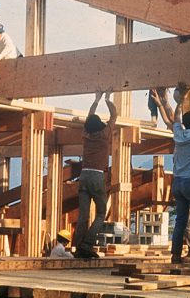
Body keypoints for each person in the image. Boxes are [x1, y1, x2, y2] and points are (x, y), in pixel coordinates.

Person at [151, 86, 190, 266]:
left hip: (178, 183)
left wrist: (179, 100)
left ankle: (175, 254)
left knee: (181, 221)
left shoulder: (178, 133)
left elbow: (175, 117)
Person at [72, 88, 117, 259]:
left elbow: (89, 116)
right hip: (97, 176)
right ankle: (87, 244)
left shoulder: (85, 135)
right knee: (100, 213)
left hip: (83, 176)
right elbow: (114, 115)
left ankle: (78, 248)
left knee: (83, 214)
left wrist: (96, 100)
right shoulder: (105, 134)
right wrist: (107, 98)